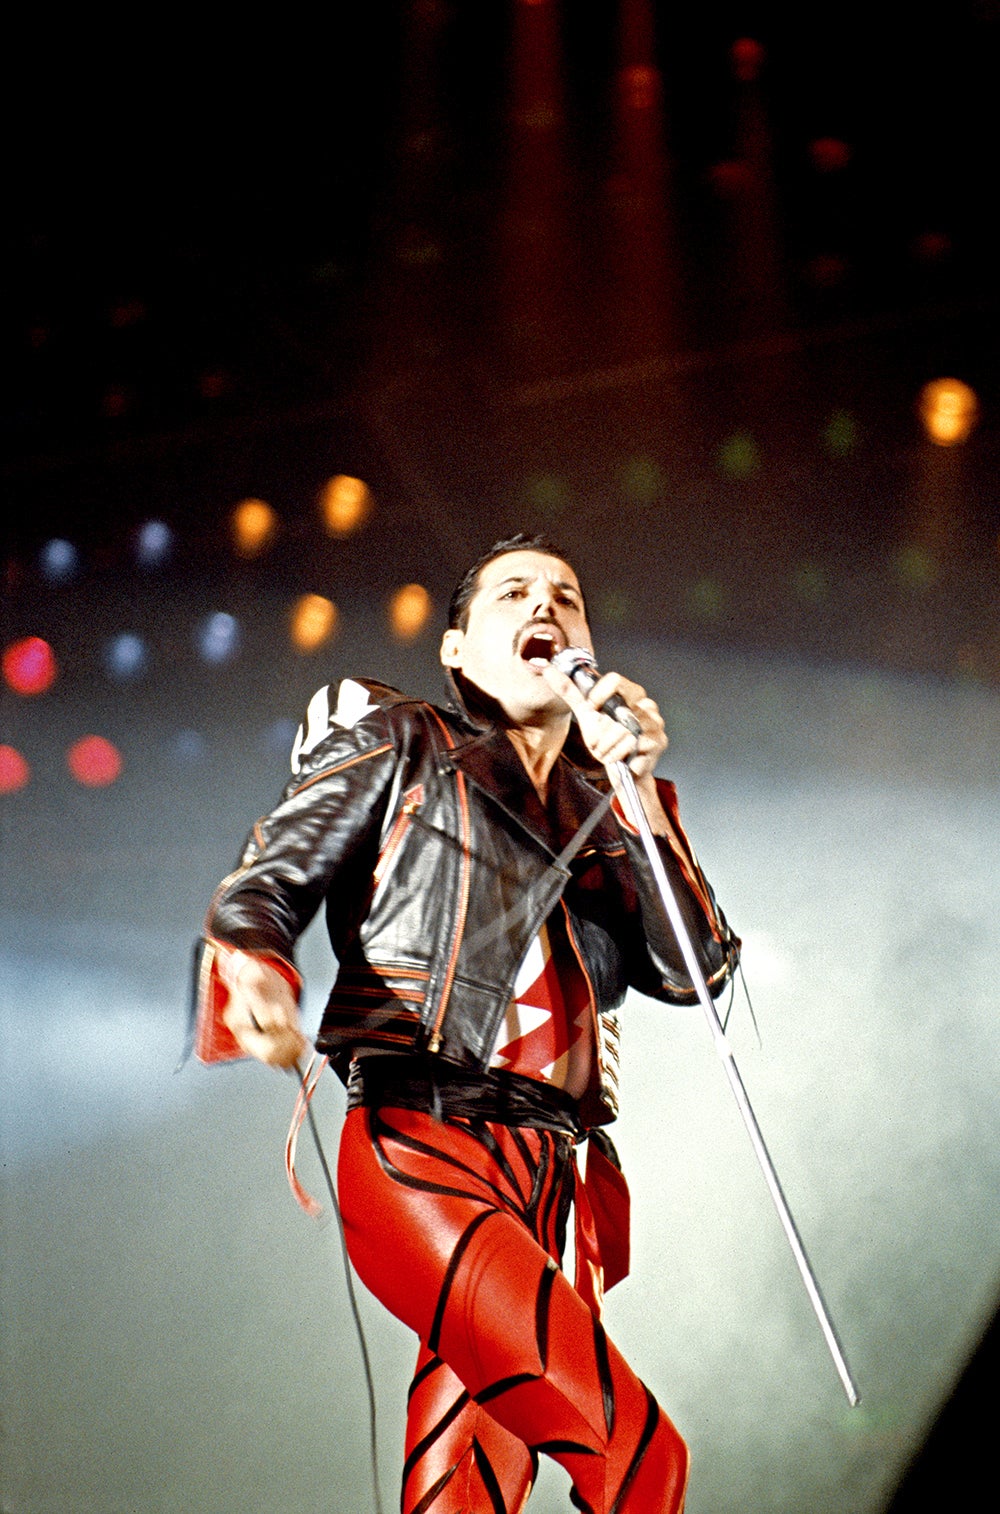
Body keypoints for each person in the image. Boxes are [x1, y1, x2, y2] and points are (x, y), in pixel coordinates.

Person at [196, 532, 738, 1514]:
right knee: (640, 1457)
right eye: (515, 593)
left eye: (566, 596)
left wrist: (641, 797)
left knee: (462, 1494)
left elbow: (694, 966)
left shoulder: (604, 804)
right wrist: (255, 965)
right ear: (456, 650)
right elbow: (276, 868)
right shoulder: (402, 739)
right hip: (425, 1139)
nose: (546, 606)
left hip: (552, 1177)